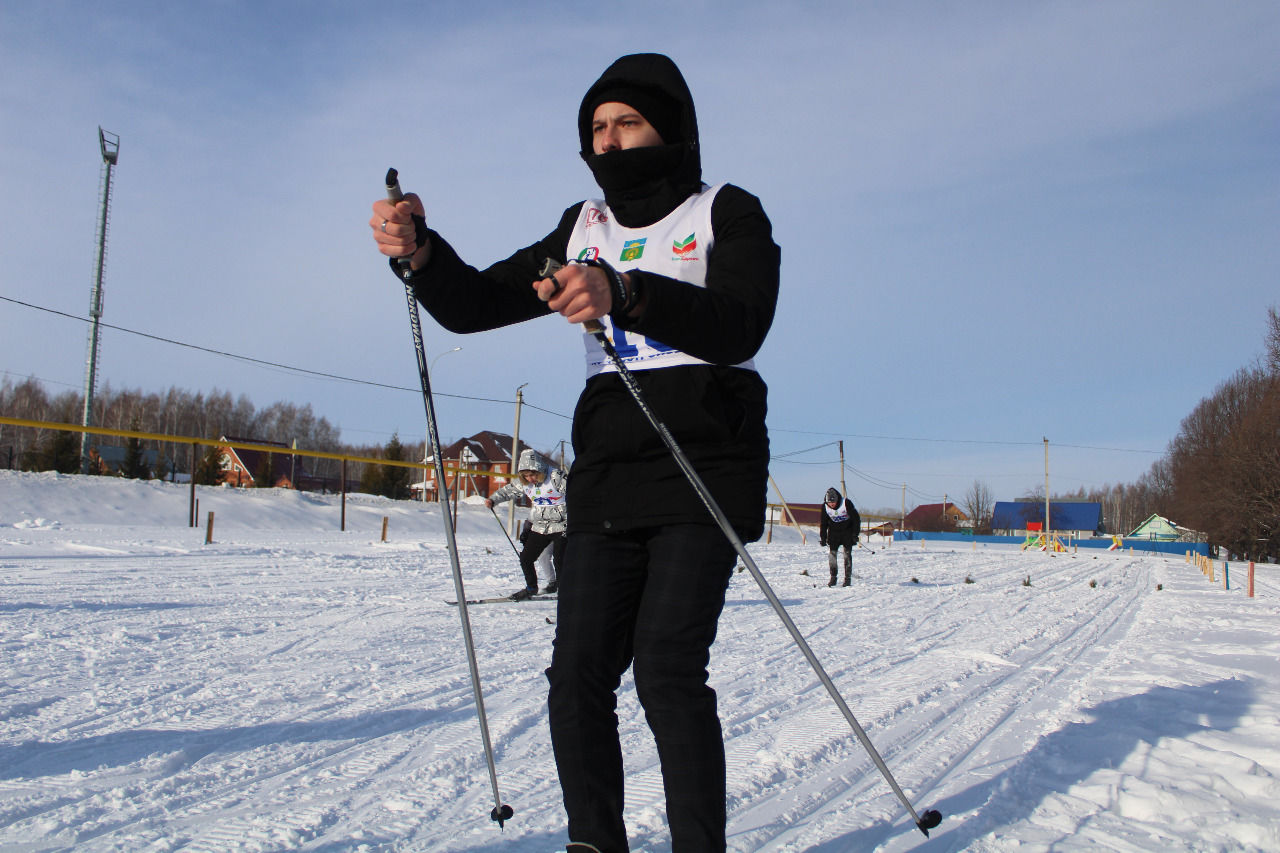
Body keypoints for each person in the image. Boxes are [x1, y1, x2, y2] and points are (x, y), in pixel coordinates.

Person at [370, 52, 780, 853]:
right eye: (597, 127)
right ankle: (594, 843)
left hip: (704, 461)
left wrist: (624, 292)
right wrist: (419, 251)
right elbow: (477, 302)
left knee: (665, 669)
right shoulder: (581, 227)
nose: (611, 141)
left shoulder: (724, 212)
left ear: (673, 130)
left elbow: (741, 322)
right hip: (610, 469)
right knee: (577, 675)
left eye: (628, 123)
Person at [485, 448, 566, 599]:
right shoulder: (524, 483)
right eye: (526, 476)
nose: (530, 479)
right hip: (541, 526)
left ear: (540, 470)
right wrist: (493, 500)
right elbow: (507, 491)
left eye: (533, 474)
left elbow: (576, 491)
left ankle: (564, 590)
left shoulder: (556, 477)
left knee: (560, 558)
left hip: (562, 525)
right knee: (526, 558)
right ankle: (531, 588)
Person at [819, 487, 861, 587]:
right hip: (834, 533)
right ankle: (833, 577)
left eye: (834, 502)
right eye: (830, 502)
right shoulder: (825, 507)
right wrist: (823, 538)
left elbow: (856, 520)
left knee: (847, 555)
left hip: (847, 531)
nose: (832, 504)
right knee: (832, 555)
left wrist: (855, 534)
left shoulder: (846, 503)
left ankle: (847, 579)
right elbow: (824, 524)